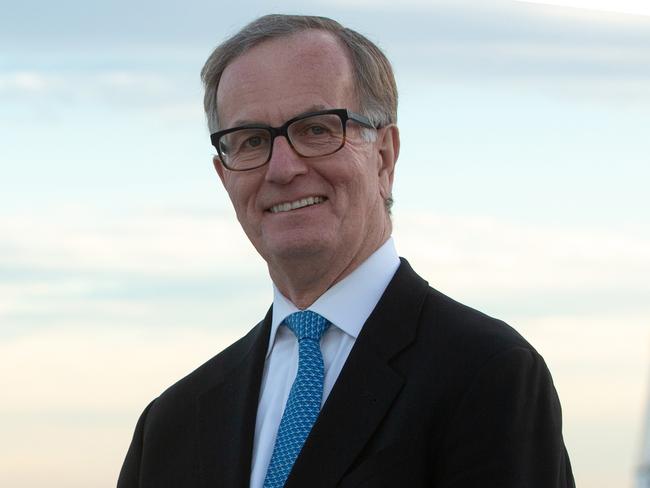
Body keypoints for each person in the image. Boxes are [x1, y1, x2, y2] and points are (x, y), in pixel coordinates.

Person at [118, 14, 575, 488]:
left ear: (384, 156)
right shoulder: (171, 425)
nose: (283, 168)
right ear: (224, 176)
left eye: (316, 130)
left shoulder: (487, 375)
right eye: (252, 141)